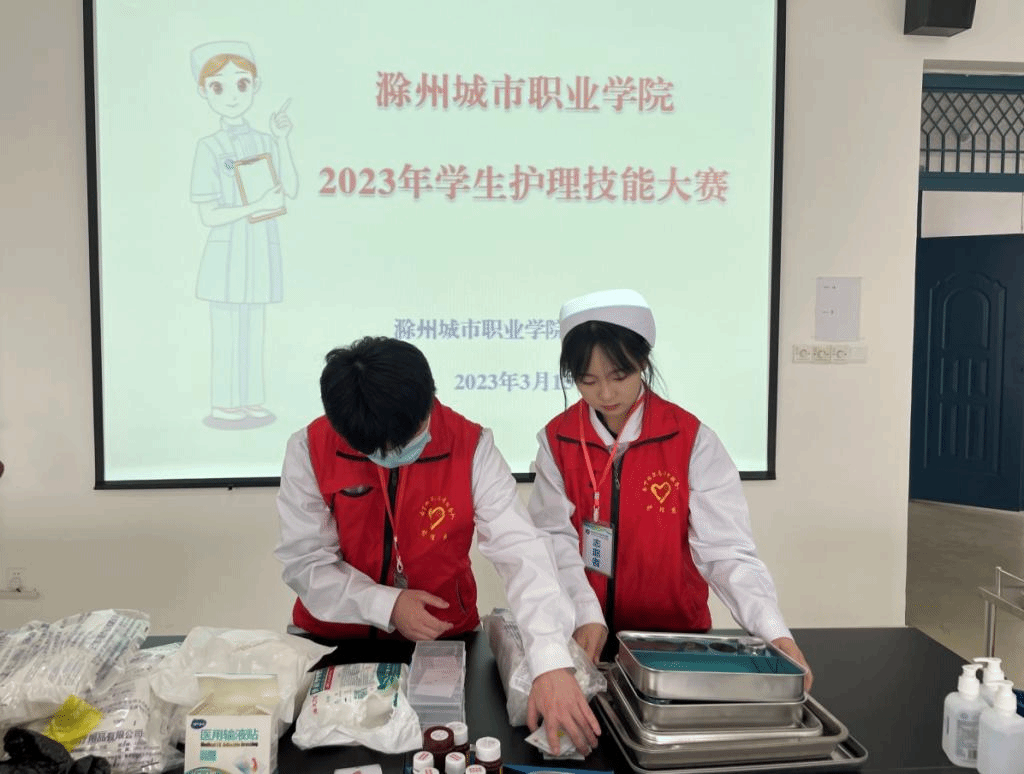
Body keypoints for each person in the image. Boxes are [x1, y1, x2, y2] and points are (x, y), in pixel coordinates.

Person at [273, 336, 602, 754]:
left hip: (443, 641)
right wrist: (387, 605)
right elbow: (306, 563)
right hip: (336, 641)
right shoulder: (310, 448)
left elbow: (521, 551)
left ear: (430, 399)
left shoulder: (471, 445)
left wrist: (551, 661)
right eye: (375, 450)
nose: (391, 454)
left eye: (403, 441)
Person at [528, 289, 813, 690]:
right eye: (587, 381)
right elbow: (553, 539)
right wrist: (586, 612)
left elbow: (725, 551)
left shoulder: (690, 439)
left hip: (676, 643)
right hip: (585, 637)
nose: (605, 394)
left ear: (643, 362)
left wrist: (772, 629)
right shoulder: (557, 441)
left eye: (619, 376)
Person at [189, 41, 297, 426]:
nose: (232, 96)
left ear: (256, 86)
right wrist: (254, 206)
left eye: (242, 84)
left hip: (259, 249)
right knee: (226, 328)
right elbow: (209, 214)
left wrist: (283, 139)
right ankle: (224, 403)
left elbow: (291, 189)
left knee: (254, 327)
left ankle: (251, 400)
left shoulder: (267, 140)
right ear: (203, 92)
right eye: (218, 86)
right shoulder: (208, 147)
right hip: (227, 252)